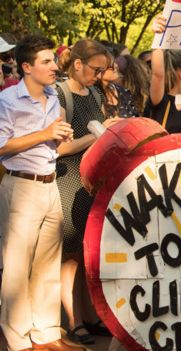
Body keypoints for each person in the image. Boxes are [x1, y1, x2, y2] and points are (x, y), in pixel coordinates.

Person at [0, 34, 83, 351]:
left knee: (48, 265)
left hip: (50, 185)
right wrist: (45, 133)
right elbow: (2, 146)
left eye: (52, 60)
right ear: (26, 67)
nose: (53, 66)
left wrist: (60, 136)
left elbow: (57, 145)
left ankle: (47, 334)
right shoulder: (8, 101)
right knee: (18, 268)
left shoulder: (53, 97)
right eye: (46, 61)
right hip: (21, 186)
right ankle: (18, 340)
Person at [56, 38, 120, 344]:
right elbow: (59, 148)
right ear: (77, 64)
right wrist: (97, 135)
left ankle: (90, 315)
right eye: (95, 69)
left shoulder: (94, 92)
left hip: (89, 181)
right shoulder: (60, 94)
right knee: (69, 256)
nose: (99, 75)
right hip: (67, 180)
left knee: (85, 253)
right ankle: (73, 319)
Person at [97, 54, 138, 118]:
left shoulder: (124, 92)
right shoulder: (92, 96)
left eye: (114, 62)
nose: (116, 66)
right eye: (110, 65)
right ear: (98, 70)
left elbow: (135, 119)